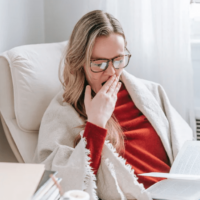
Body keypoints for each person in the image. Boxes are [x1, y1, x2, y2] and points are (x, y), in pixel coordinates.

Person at [32, 10, 193, 200]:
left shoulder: (151, 92)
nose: (111, 73)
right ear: (79, 63)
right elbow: (61, 182)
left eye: (118, 60)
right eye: (99, 64)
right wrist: (96, 123)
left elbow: (184, 146)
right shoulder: (63, 110)